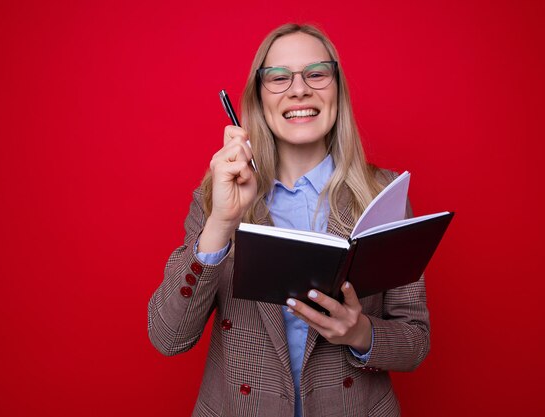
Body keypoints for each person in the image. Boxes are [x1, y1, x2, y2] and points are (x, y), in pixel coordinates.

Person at [148, 23, 430, 417]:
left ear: (337, 90)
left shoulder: (382, 193)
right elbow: (169, 336)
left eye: (316, 73)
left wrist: (359, 332)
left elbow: (415, 340)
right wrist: (221, 223)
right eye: (279, 78)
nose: (299, 90)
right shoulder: (219, 193)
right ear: (259, 99)